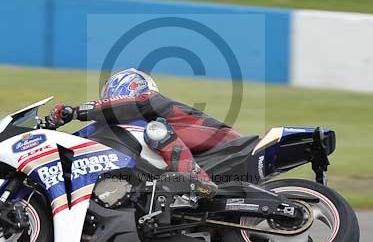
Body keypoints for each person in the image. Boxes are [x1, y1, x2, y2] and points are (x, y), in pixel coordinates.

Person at [45, 68, 241, 198]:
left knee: (155, 131)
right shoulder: (129, 122)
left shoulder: (151, 101)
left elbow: (128, 106)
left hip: (222, 142)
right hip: (196, 153)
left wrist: (76, 111)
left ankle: (196, 179)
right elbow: (86, 137)